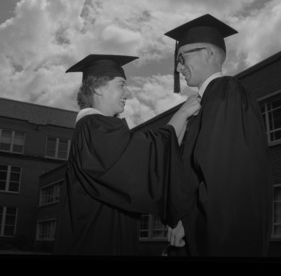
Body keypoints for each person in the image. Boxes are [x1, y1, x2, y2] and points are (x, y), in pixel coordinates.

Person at [54, 54, 200, 256]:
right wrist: (182, 114)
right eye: (121, 84)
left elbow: (151, 153)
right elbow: (145, 159)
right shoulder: (95, 128)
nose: (128, 92)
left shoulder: (93, 131)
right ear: (98, 88)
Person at [164, 14, 273, 257]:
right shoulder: (204, 103)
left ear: (209, 54)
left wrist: (188, 220)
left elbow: (224, 176)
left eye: (182, 57)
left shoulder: (227, 93)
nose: (178, 66)